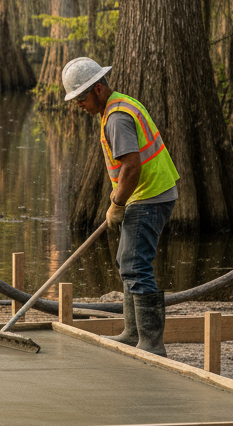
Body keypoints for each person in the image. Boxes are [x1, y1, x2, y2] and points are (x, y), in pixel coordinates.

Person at [62, 57, 179, 356]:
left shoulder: (116, 117)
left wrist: (116, 204)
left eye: (81, 98)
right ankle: (132, 333)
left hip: (149, 195)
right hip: (150, 192)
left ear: (98, 89)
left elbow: (131, 167)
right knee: (127, 262)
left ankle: (151, 343)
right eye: (75, 100)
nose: (79, 105)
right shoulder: (118, 105)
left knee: (134, 264)